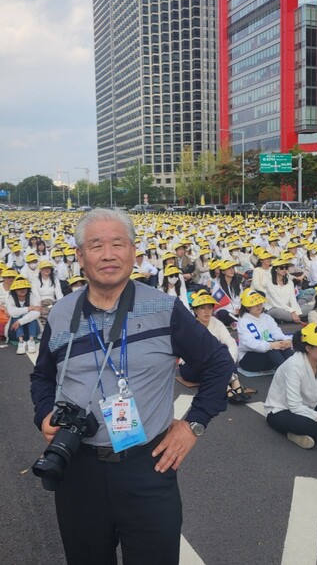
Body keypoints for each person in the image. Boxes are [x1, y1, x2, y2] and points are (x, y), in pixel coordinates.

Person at [30, 208, 234, 565]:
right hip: (77, 468)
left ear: (134, 253)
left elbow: (219, 362)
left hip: (147, 467)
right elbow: (42, 376)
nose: (108, 254)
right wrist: (45, 412)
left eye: (117, 244)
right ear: (80, 257)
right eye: (96, 245)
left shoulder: (164, 307)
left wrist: (193, 424)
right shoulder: (62, 313)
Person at [265, 324, 317, 449]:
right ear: (308, 348)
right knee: (303, 423)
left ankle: (302, 434)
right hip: (281, 412)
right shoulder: (294, 365)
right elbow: (295, 406)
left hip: (308, 408)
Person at [178, 290, 254, 402]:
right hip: (191, 367)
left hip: (217, 364)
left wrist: (228, 363)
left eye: (209, 308)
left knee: (224, 353)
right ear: (195, 310)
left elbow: (231, 342)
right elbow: (193, 354)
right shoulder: (190, 326)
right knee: (210, 357)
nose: (206, 312)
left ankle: (236, 385)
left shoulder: (216, 322)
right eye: (202, 308)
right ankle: (226, 388)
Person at [237, 288, 294, 372]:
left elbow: (277, 333)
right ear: (247, 306)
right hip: (248, 358)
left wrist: (286, 341)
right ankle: (286, 374)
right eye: (255, 304)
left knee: (284, 348)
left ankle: (298, 371)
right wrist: (270, 345)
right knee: (272, 350)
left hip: (268, 353)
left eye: (260, 303)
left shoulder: (267, 318)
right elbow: (249, 343)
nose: (259, 306)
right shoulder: (243, 321)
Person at [265, 257, 312, 323]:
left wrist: (296, 311)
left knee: (310, 307)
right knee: (279, 312)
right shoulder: (269, 283)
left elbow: (292, 299)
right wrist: (292, 312)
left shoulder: (290, 282)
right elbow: (277, 302)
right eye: (281, 268)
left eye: (286, 268)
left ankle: (294, 317)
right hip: (274, 308)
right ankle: (296, 317)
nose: (284, 270)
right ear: (275, 269)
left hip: (288, 308)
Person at [6, 275, 41, 354]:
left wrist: (19, 322)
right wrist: (28, 308)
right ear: (15, 290)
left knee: (32, 317)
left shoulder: (32, 296)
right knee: (16, 316)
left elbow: (37, 312)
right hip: (14, 330)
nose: (22, 290)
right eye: (19, 289)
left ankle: (31, 341)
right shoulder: (11, 298)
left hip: (29, 327)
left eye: (24, 288)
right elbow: (12, 312)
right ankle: (21, 342)